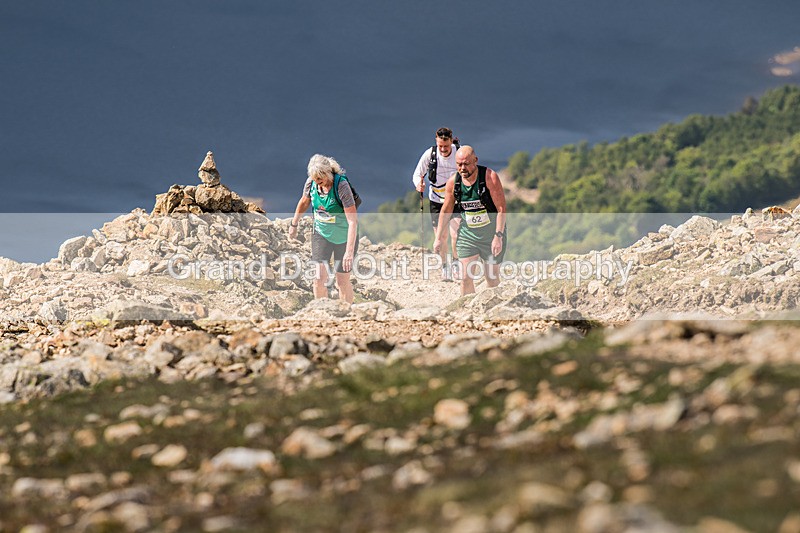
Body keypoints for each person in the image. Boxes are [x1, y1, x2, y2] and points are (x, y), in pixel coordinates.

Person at [434, 145, 507, 296]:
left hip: (491, 234)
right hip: (468, 235)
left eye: (466, 164)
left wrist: (498, 236)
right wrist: (439, 238)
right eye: (459, 164)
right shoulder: (453, 183)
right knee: (465, 277)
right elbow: (446, 211)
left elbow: (501, 209)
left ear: (475, 161)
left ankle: (494, 311)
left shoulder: (489, 177)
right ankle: (467, 313)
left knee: (492, 279)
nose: (462, 168)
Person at [288, 154, 359, 303]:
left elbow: (352, 221)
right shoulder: (311, 183)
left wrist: (349, 252)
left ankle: (347, 316)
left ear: (328, 174)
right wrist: (294, 225)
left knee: (342, 281)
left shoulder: (341, 186)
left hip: (344, 237)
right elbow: (304, 202)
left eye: (320, 180)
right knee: (319, 278)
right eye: (315, 180)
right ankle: (321, 313)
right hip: (321, 233)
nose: (318, 183)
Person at [412, 127, 461, 281]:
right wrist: (418, 184)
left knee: (456, 233)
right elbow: (417, 174)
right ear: (436, 142)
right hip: (436, 199)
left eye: (446, 146)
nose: (443, 149)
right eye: (440, 146)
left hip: (455, 199)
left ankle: (456, 263)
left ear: (451, 142)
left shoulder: (458, 153)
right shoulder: (430, 154)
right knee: (441, 236)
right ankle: (445, 267)